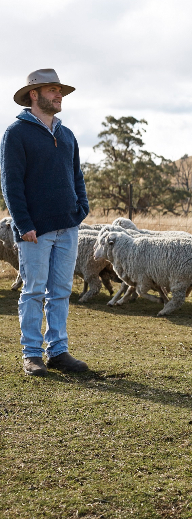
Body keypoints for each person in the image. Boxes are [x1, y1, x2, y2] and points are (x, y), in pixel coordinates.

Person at [1, 69, 90, 376]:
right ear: (34, 95)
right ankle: (32, 354)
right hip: (34, 231)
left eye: (60, 90)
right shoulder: (16, 133)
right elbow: (11, 184)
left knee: (61, 291)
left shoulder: (66, 135)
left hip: (68, 226)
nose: (59, 95)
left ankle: (58, 351)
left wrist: (81, 209)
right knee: (34, 291)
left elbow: (77, 176)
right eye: (53, 90)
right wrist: (23, 225)